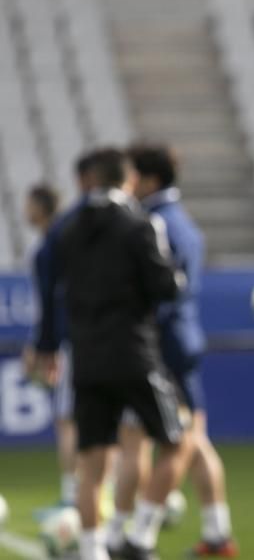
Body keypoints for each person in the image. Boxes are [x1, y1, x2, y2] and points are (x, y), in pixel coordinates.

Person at [31, 148, 194, 560]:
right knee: (180, 439)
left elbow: (50, 291)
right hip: (135, 355)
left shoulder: (65, 228)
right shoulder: (141, 223)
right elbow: (166, 286)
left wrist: (48, 346)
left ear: (89, 180)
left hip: (86, 359)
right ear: (130, 181)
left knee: (92, 463)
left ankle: (91, 551)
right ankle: (139, 537)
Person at [101, 143, 238, 557]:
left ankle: (132, 535)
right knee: (194, 439)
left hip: (158, 348)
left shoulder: (153, 223)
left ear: (149, 180)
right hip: (182, 342)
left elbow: (160, 294)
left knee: (144, 439)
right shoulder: (181, 223)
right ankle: (217, 531)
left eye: (132, 176)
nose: (127, 184)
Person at [22, 153, 97, 516]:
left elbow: (51, 301)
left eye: (28, 204)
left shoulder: (48, 248)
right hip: (96, 336)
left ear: (40, 207)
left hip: (72, 340)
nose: (24, 211)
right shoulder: (75, 238)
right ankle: (99, 491)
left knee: (67, 419)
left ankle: (72, 496)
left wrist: (42, 348)